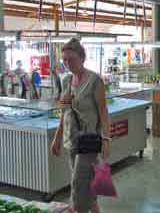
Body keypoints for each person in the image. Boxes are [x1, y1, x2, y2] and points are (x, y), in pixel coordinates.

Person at [51, 38, 111, 213]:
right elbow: (65, 112)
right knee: (87, 186)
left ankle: (75, 210)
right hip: (71, 140)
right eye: (65, 60)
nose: (68, 63)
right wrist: (57, 137)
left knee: (78, 186)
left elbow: (103, 112)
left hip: (89, 141)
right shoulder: (66, 81)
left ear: (82, 58)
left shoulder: (95, 81)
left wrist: (106, 139)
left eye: (72, 59)